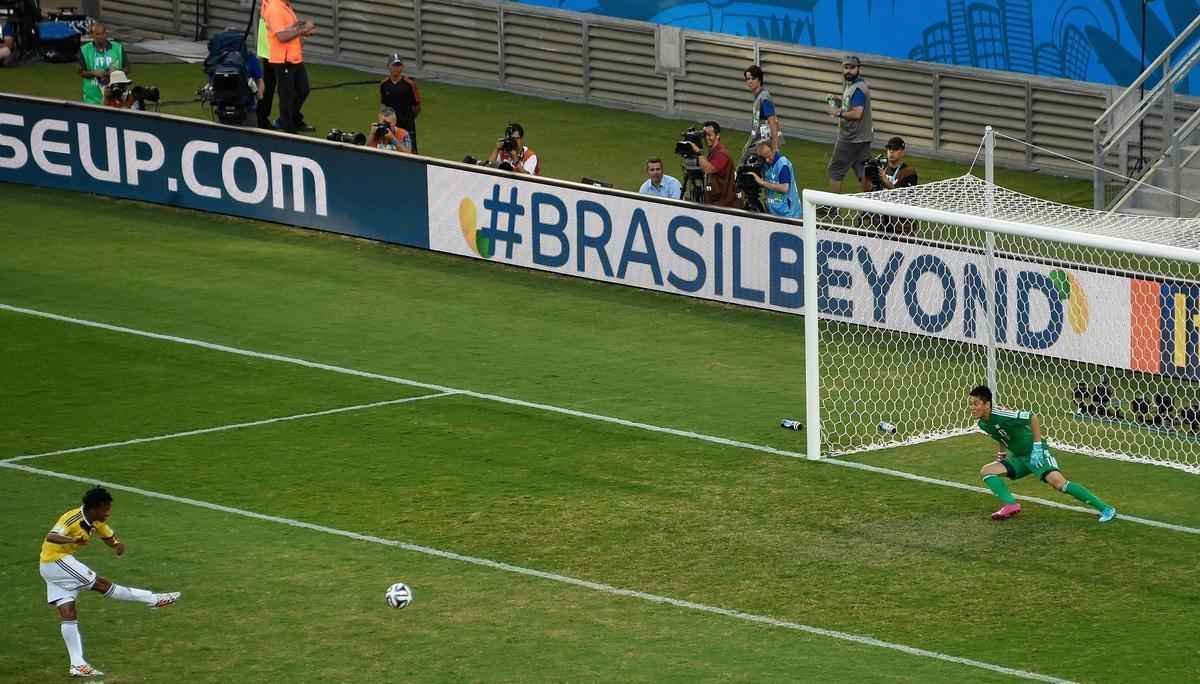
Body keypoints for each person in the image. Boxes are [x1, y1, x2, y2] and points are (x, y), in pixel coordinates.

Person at [40, 486, 181, 678]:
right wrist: (72, 538)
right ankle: (153, 599)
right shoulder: (72, 518)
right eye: (106, 508)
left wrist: (116, 545)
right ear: (94, 508)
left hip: (52, 567)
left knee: (68, 612)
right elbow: (51, 536)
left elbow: (107, 535)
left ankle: (77, 664)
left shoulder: (95, 521)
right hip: (56, 561)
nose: (109, 512)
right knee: (104, 586)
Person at [970, 385, 1117, 523]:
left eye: (976, 404)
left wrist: (1038, 447)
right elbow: (999, 435)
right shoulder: (982, 423)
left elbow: (1032, 417)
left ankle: (1106, 509)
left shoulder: (1002, 414)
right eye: (971, 404)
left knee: (1059, 484)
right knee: (987, 471)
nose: (972, 408)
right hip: (1019, 459)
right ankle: (1011, 505)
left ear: (987, 404)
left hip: (1036, 453)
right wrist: (1001, 452)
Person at [263, 0, 316, 133]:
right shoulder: (275, 9)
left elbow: (288, 28)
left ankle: (288, 120)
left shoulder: (285, 6)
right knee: (287, 95)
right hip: (283, 59)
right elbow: (281, 36)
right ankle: (288, 127)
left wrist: (302, 29)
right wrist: (302, 29)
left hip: (294, 58)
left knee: (303, 90)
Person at [826, 55, 873, 194]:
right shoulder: (853, 86)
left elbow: (857, 113)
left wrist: (838, 112)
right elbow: (850, 105)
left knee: (835, 171)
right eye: (846, 67)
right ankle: (869, 210)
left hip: (850, 138)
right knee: (863, 172)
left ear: (859, 68)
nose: (848, 71)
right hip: (862, 137)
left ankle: (833, 209)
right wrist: (838, 100)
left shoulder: (858, 88)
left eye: (852, 68)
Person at [685, 121, 737, 208]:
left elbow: (709, 169)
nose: (706, 138)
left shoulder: (722, 153)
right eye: (705, 135)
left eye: (710, 135)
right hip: (715, 201)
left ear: (717, 135)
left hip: (723, 204)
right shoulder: (713, 152)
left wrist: (698, 152)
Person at [747, 139, 800, 218]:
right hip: (773, 211)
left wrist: (762, 182)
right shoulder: (764, 164)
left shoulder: (782, 164)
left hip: (788, 214)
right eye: (764, 158)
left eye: (768, 156)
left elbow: (784, 188)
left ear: (773, 150)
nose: (767, 160)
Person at [78, 23, 129, 105]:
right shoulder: (84, 50)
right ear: (92, 35)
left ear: (106, 34)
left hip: (115, 98)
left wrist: (116, 72)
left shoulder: (118, 48)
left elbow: (127, 69)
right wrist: (93, 73)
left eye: (102, 33)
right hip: (92, 100)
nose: (100, 37)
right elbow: (81, 72)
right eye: (97, 34)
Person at [380, 53, 421, 154]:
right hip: (391, 125)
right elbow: (384, 105)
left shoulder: (409, 84)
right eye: (394, 65)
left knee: (411, 152)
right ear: (388, 66)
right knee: (390, 150)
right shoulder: (384, 85)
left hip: (408, 125)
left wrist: (410, 118)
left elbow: (417, 106)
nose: (396, 68)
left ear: (402, 67)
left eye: (398, 65)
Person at [744, 64, 781, 155]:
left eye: (753, 78)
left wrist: (775, 148)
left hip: (764, 144)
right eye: (748, 79)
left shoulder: (764, 98)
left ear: (759, 79)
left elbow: (772, 122)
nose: (750, 81)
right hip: (758, 142)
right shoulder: (758, 97)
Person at [255, 1, 278, 129]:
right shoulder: (273, 5)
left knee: (269, 85)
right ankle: (262, 118)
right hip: (273, 48)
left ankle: (262, 118)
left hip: (270, 47)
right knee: (273, 86)